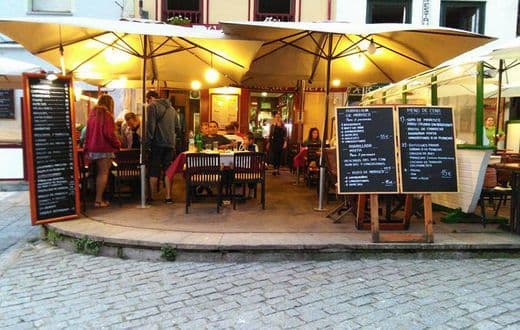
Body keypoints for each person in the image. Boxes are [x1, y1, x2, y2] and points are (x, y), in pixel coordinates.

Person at [84, 97, 121, 208]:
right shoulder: (107, 115)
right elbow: (109, 134)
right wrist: (117, 144)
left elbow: (87, 134)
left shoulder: (91, 115)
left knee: (94, 174)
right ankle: (98, 201)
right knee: (103, 174)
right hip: (104, 148)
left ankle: (95, 199)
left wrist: (87, 148)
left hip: (92, 149)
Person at [144, 90, 177, 204]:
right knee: (168, 170)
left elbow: (150, 127)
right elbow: (177, 128)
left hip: (157, 143)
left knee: (154, 169)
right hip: (170, 144)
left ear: (150, 98)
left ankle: (151, 197)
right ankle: (168, 197)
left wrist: (147, 143)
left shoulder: (152, 107)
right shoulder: (172, 109)